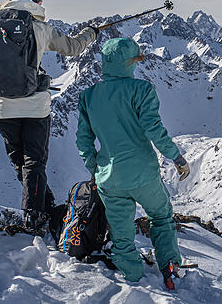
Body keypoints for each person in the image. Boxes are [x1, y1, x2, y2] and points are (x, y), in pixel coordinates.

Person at [0, 0, 97, 235]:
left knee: (20, 163)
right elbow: (73, 47)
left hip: (3, 107)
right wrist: (91, 33)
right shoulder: (40, 27)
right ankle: (34, 215)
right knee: (35, 160)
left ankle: (45, 207)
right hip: (35, 107)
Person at [76, 37, 190, 290]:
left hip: (109, 179)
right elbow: (154, 129)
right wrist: (176, 157)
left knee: (121, 232)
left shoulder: (88, 96)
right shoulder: (141, 90)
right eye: (136, 60)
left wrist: (95, 168)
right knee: (161, 217)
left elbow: (83, 139)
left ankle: (133, 277)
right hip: (143, 175)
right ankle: (169, 267)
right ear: (129, 63)